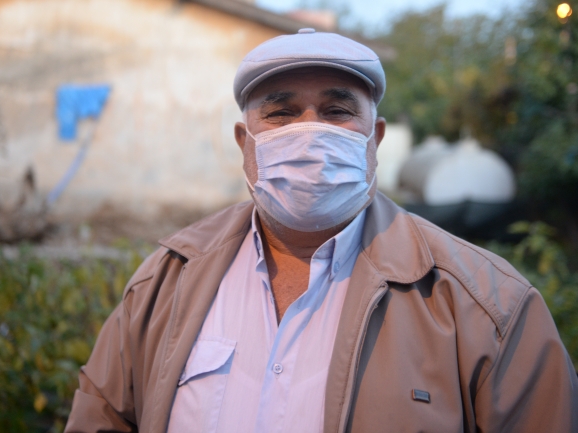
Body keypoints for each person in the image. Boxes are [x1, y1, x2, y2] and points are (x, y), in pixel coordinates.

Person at [65, 30, 578, 433]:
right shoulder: (165, 283)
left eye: (337, 111)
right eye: (281, 113)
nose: (309, 132)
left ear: (375, 139)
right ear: (245, 143)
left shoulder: (488, 308)